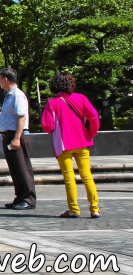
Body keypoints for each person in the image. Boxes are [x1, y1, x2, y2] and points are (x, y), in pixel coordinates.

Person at [41, 72, 101, 218]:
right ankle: (94, 209)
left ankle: (73, 209)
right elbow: (93, 117)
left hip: (63, 145)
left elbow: (48, 126)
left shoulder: (52, 103)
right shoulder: (81, 98)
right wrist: (91, 133)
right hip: (82, 142)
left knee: (69, 178)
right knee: (87, 175)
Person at [0, 67, 36, 210]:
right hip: (9, 135)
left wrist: (16, 138)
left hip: (17, 135)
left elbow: (22, 117)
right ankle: (20, 196)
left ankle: (28, 198)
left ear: (6, 79)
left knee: (22, 167)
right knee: (15, 168)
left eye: (0, 78)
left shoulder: (17, 95)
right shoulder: (9, 95)